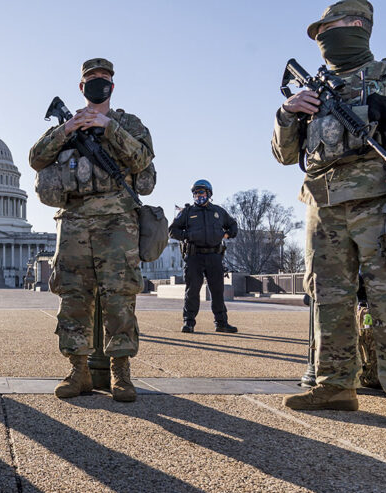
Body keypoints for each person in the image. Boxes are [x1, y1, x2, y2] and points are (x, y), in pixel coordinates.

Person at [272, 0, 386, 419]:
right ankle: (334, 386)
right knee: (328, 297)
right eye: (319, 32)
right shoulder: (313, 88)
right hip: (322, 206)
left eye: (331, 27)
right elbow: (285, 155)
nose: (323, 37)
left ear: (359, 25)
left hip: (377, 199)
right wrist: (288, 113)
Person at [29, 58, 155, 402]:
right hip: (74, 219)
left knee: (119, 296)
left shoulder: (128, 123)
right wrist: (67, 129)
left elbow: (143, 159)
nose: (98, 84)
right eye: (91, 80)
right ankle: (77, 370)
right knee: (72, 296)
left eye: (104, 79)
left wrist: (107, 127)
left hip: (117, 219)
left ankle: (121, 373)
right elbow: (36, 158)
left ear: (112, 87)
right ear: (81, 87)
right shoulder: (67, 124)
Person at [168, 180, 239, 334]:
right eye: (196, 193)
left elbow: (233, 226)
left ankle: (221, 323)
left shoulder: (219, 212)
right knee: (192, 291)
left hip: (214, 256)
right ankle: (189, 323)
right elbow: (172, 230)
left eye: (201, 192)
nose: (198, 195)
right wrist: (188, 235)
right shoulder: (187, 213)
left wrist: (226, 234)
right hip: (194, 256)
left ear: (209, 194)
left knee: (217, 291)